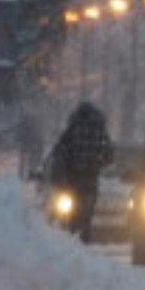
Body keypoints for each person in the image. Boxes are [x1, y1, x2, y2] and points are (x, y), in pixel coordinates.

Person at [47, 102, 114, 241]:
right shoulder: (100, 131)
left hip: (72, 178)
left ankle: (71, 236)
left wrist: (64, 166)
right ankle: (84, 237)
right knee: (87, 214)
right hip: (91, 179)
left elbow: (59, 150)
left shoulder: (73, 129)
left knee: (71, 211)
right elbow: (109, 156)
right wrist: (97, 164)